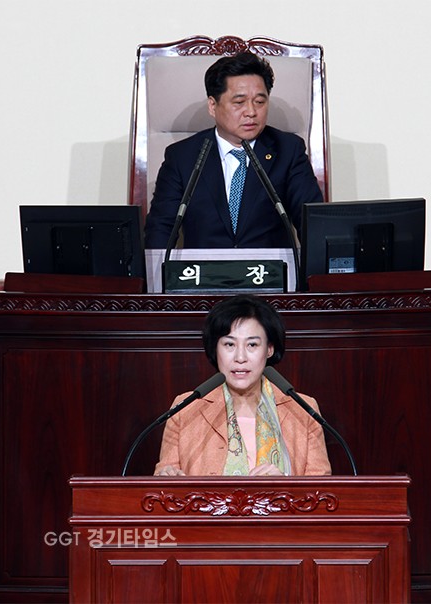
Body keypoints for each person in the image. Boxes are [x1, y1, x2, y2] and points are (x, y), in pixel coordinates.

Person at [144, 52, 324, 250]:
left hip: (269, 268)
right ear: (213, 106)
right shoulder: (183, 156)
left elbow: (313, 226)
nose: (251, 112)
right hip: (203, 268)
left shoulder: (288, 150)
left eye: (260, 102)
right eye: (239, 102)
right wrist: (158, 269)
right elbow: (160, 230)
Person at [154, 294, 332, 476]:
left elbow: (321, 488)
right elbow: (163, 479)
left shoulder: (303, 409)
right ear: (215, 348)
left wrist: (284, 485)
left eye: (252, 345)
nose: (240, 357)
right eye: (229, 344)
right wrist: (166, 477)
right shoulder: (185, 408)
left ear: (269, 349)